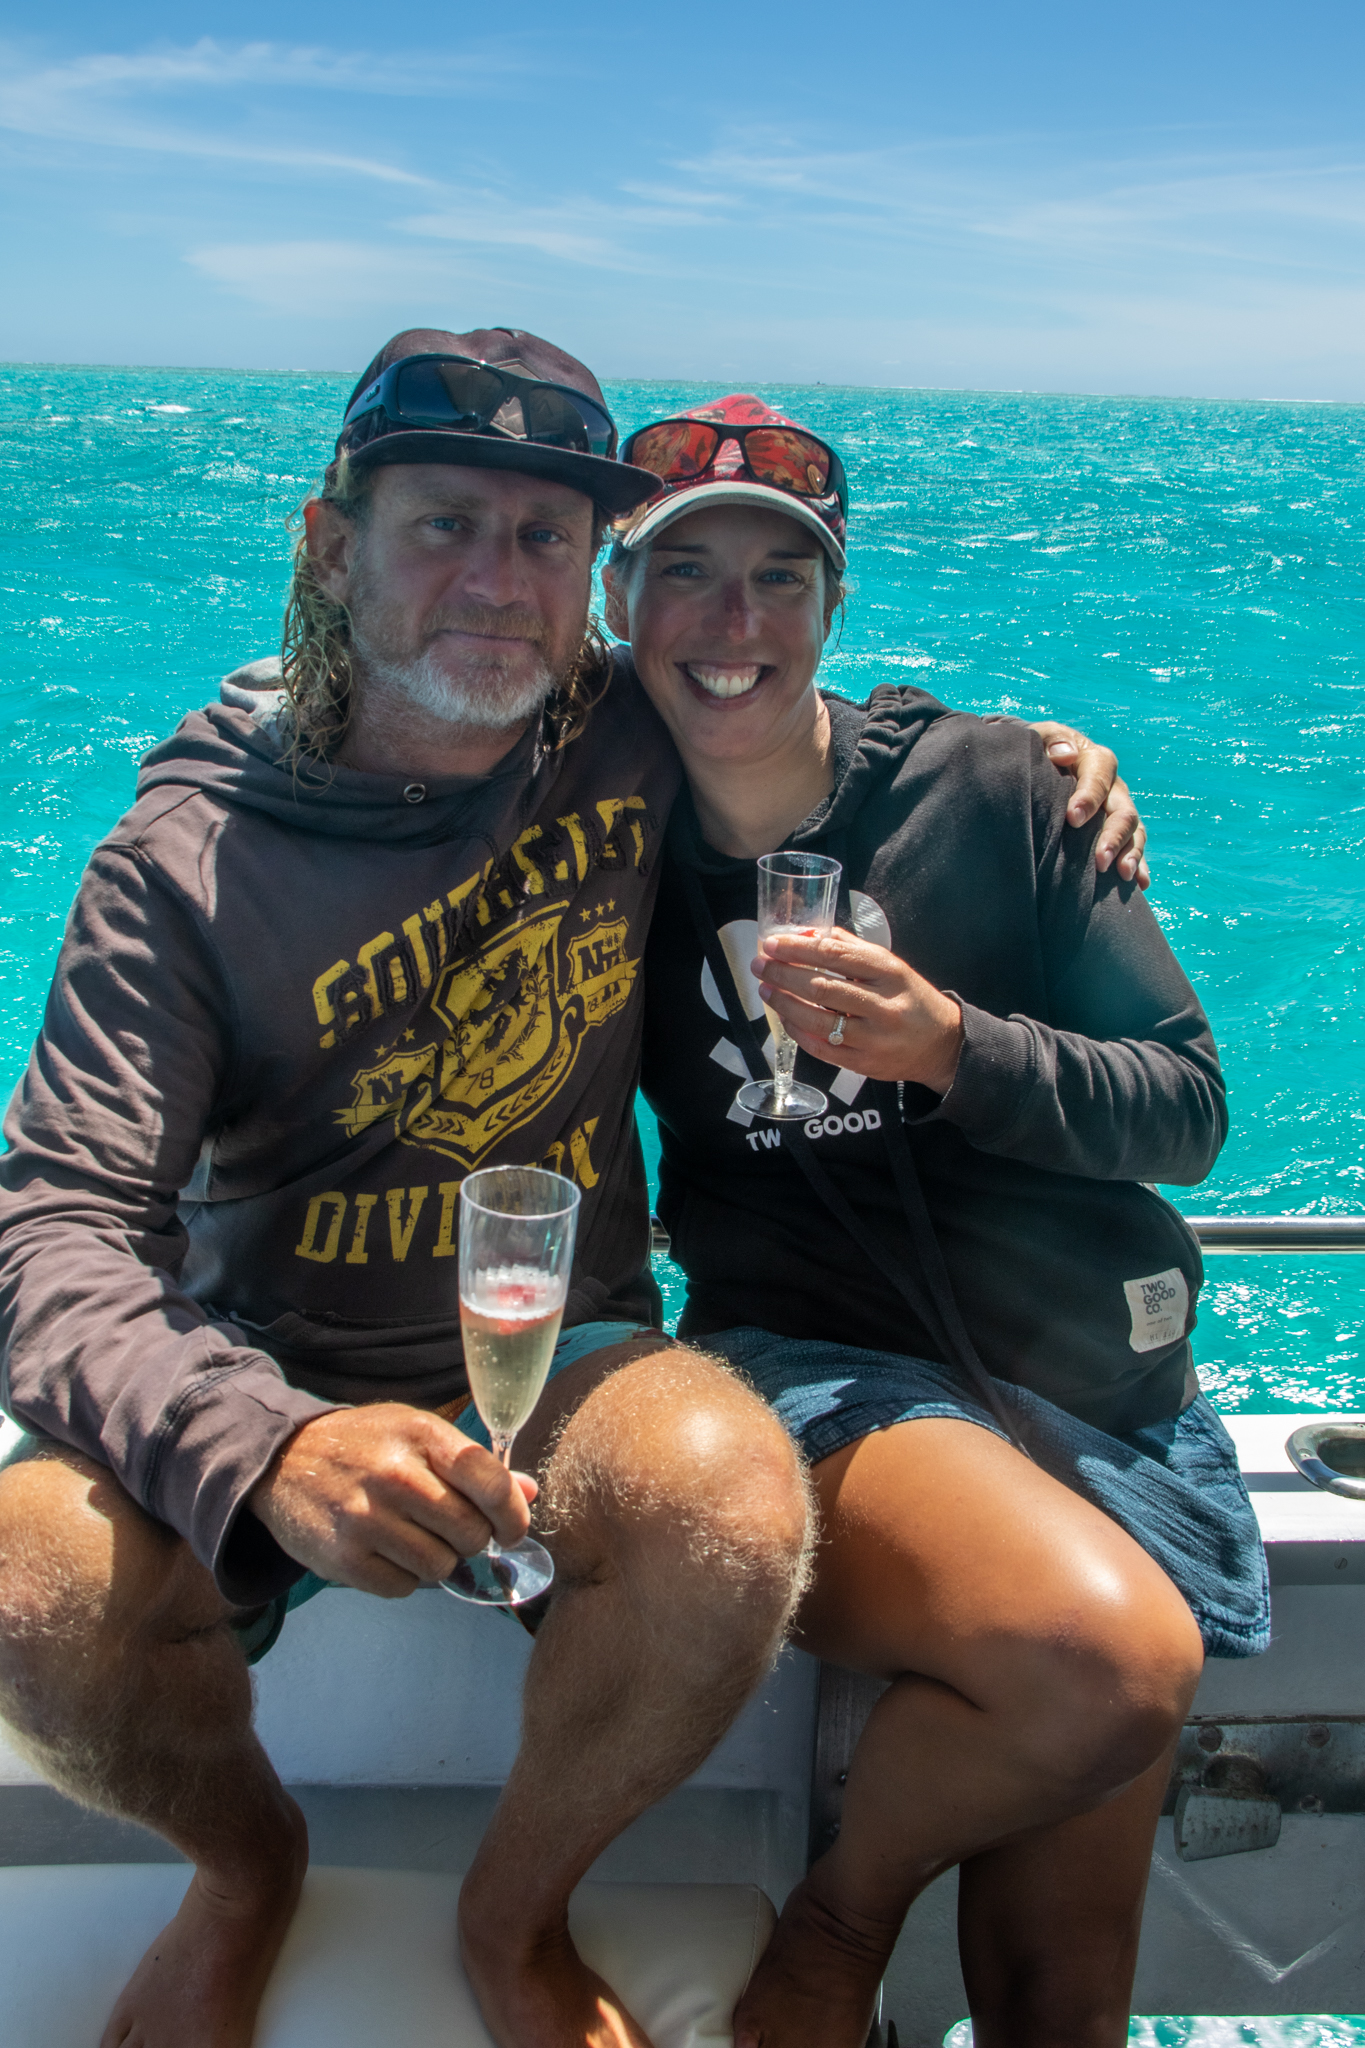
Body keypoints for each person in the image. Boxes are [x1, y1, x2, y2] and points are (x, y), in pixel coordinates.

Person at [0, 327, 1146, 2048]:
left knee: (727, 1510)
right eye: (443, 526)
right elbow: (56, 1228)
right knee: (28, 1589)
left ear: (590, 576)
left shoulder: (615, 725)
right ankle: (244, 1873)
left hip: (561, 1352)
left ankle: (514, 1916)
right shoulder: (181, 867)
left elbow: (790, 707)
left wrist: (1040, 771)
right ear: (332, 546)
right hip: (262, 1362)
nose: (497, 582)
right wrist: (266, 1444)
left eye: (545, 537)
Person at [591, 394, 1271, 2048]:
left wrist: (956, 1049)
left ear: (833, 606)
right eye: (685, 574)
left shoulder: (998, 792)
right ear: (617, 604)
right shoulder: (587, 836)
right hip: (814, 1372)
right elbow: (361, 709)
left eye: (779, 577)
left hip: (1087, 1397)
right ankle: (838, 1927)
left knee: (1063, 2001)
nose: (733, 623)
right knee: (1106, 1664)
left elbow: (1184, 1108)